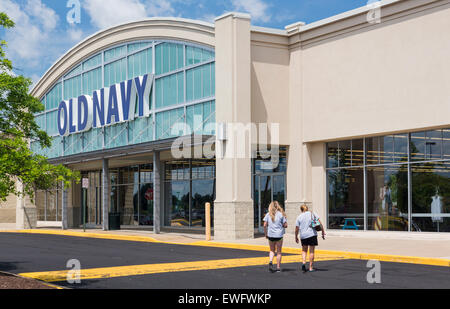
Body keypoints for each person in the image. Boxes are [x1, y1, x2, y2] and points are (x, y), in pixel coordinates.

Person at [295, 204, 325, 272]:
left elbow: (297, 228)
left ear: (301, 210)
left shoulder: (299, 217)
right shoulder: (312, 213)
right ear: (307, 208)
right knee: (311, 251)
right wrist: (323, 231)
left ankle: (303, 263)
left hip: (303, 236)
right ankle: (311, 267)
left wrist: (296, 236)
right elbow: (320, 223)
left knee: (304, 251)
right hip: (312, 235)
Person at [263, 201, 287, 273]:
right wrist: (282, 226)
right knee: (279, 252)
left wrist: (266, 234)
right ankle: (278, 267)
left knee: (272, 250)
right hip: (279, 235)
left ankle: (270, 261)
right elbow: (285, 225)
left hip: (271, 235)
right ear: (278, 206)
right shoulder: (281, 214)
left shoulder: (268, 214)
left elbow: (264, 225)